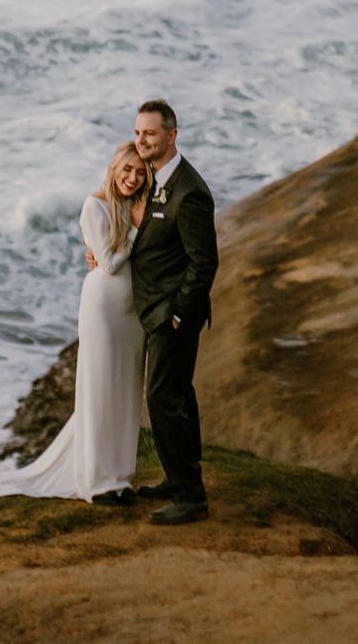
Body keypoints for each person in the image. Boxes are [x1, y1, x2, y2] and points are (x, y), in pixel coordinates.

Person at [0, 142, 149, 504]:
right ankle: (96, 482)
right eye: (127, 170)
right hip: (103, 310)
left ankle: (120, 476)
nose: (132, 178)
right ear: (114, 168)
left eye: (140, 173)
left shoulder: (134, 205)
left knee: (123, 392)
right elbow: (107, 262)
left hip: (131, 314)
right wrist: (136, 229)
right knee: (99, 391)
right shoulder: (95, 205)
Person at [124, 98, 218, 526]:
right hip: (158, 310)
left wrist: (179, 314)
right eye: (138, 132)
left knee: (162, 398)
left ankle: (191, 496)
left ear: (171, 136)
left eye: (150, 133)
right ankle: (178, 478)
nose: (141, 140)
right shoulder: (155, 179)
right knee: (178, 394)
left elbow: (204, 262)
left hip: (173, 315)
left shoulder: (190, 191)